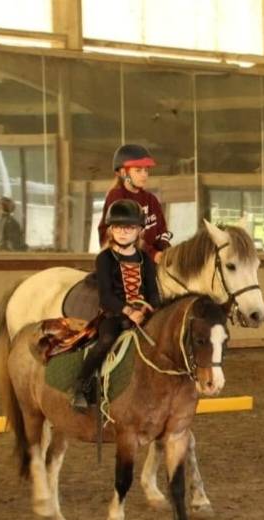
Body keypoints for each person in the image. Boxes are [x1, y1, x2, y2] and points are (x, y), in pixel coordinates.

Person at [72, 199, 162, 412]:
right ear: (111, 230)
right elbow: (106, 296)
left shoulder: (146, 260)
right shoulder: (105, 258)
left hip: (142, 314)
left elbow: (153, 292)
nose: (123, 232)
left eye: (129, 227)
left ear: (139, 231)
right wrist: (129, 311)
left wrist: (148, 308)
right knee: (105, 340)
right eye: (118, 227)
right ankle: (81, 385)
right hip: (114, 314)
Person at [97, 143, 172, 261]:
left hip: (149, 261)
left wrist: (167, 251)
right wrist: (153, 254)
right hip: (123, 261)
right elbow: (126, 237)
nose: (144, 175)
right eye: (138, 170)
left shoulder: (151, 199)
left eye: (146, 170)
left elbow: (162, 232)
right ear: (123, 173)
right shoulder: (117, 197)